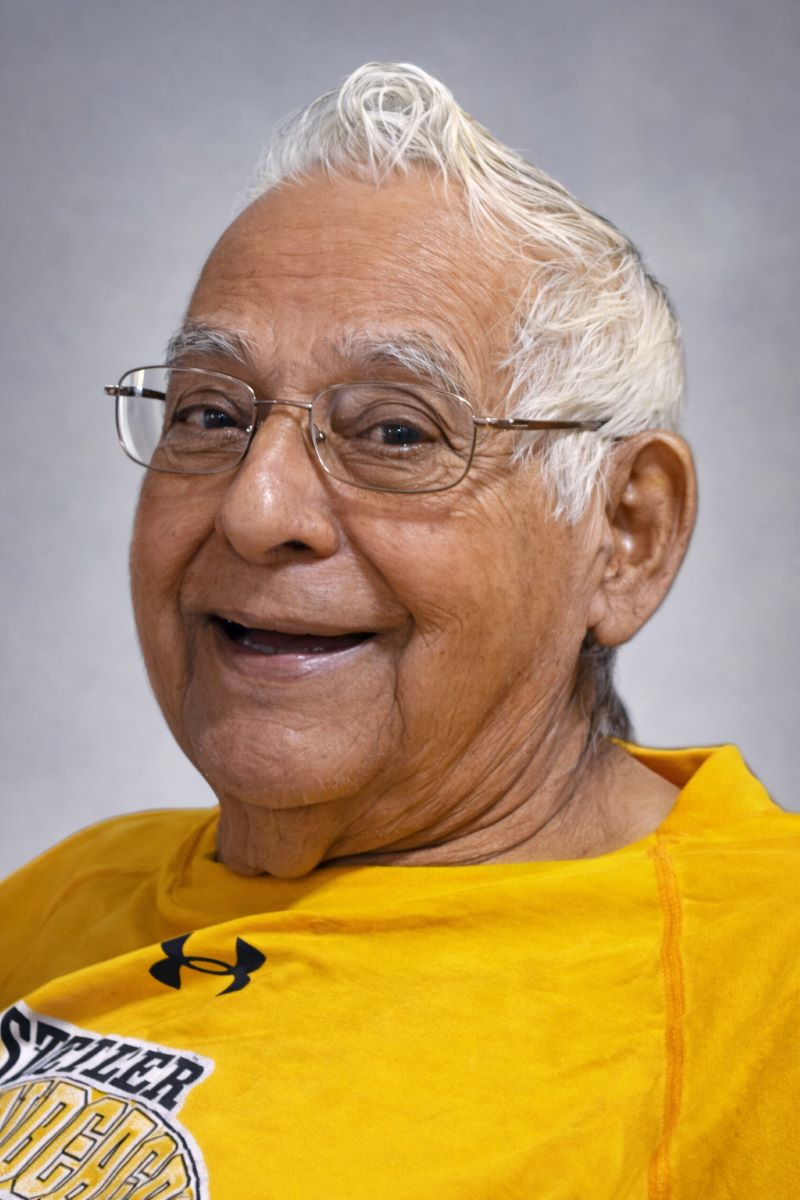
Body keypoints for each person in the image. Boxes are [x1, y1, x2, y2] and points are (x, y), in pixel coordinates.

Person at [0, 62, 796, 1199]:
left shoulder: (760, 982)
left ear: (625, 533)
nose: (254, 508)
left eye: (394, 433)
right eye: (210, 413)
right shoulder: (59, 897)